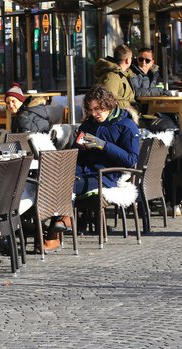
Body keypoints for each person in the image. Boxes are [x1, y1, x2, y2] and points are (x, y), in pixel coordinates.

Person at [44, 85, 140, 252]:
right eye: (91, 109)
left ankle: (55, 231)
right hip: (83, 172)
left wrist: (103, 145)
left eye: (98, 108)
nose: (95, 113)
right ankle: (55, 223)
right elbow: (75, 155)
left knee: (66, 185)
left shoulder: (126, 125)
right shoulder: (89, 125)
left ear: (109, 105)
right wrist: (79, 146)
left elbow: (131, 160)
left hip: (107, 176)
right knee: (55, 181)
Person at [95, 44, 137, 112]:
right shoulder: (112, 76)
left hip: (125, 113)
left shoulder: (123, 74)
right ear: (127, 60)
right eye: (131, 58)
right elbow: (107, 100)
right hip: (119, 116)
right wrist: (128, 105)